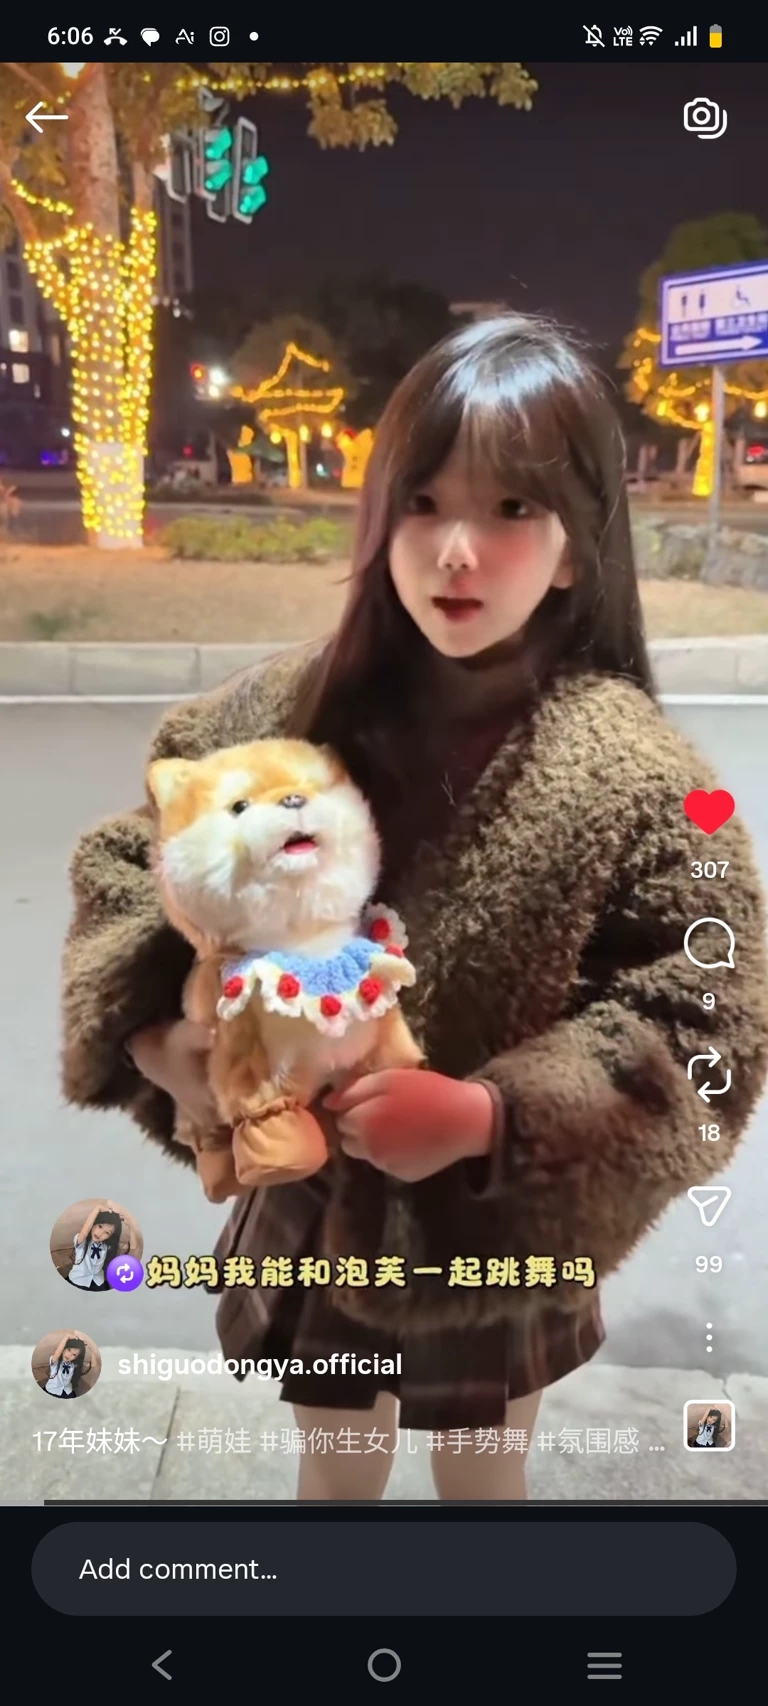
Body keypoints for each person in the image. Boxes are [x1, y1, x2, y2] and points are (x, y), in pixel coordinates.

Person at [60, 314, 768, 1502]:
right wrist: (158, 1037)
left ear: (577, 546)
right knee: (334, 1472)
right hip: (313, 1196)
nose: (456, 551)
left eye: (511, 508)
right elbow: (136, 860)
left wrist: (493, 1115)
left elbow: (707, 1022)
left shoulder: (644, 779)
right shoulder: (285, 707)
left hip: (498, 1230)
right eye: (425, 503)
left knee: (484, 1480)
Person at [68, 1203, 123, 1290]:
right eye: (100, 1226)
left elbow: (133, 1247)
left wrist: (130, 1224)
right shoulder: (82, 1241)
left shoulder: (106, 1246)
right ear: (94, 1223)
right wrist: (97, 1208)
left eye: (107, 1233)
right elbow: (85, 1231)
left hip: (98, 1280)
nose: (100, 1233)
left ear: (110, 1236)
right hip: (79, 1279)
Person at [43, 1334, 87, 1399]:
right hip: (53, 1389)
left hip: (67, 1390)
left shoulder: (73, 1365)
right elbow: (57, 1353)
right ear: (64, 1348)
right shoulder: (55, 1361)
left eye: (74, 1354)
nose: (69, 1355)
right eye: (69, 1350)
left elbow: (93, 1365)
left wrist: (92, 1349)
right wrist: (67, 1336)